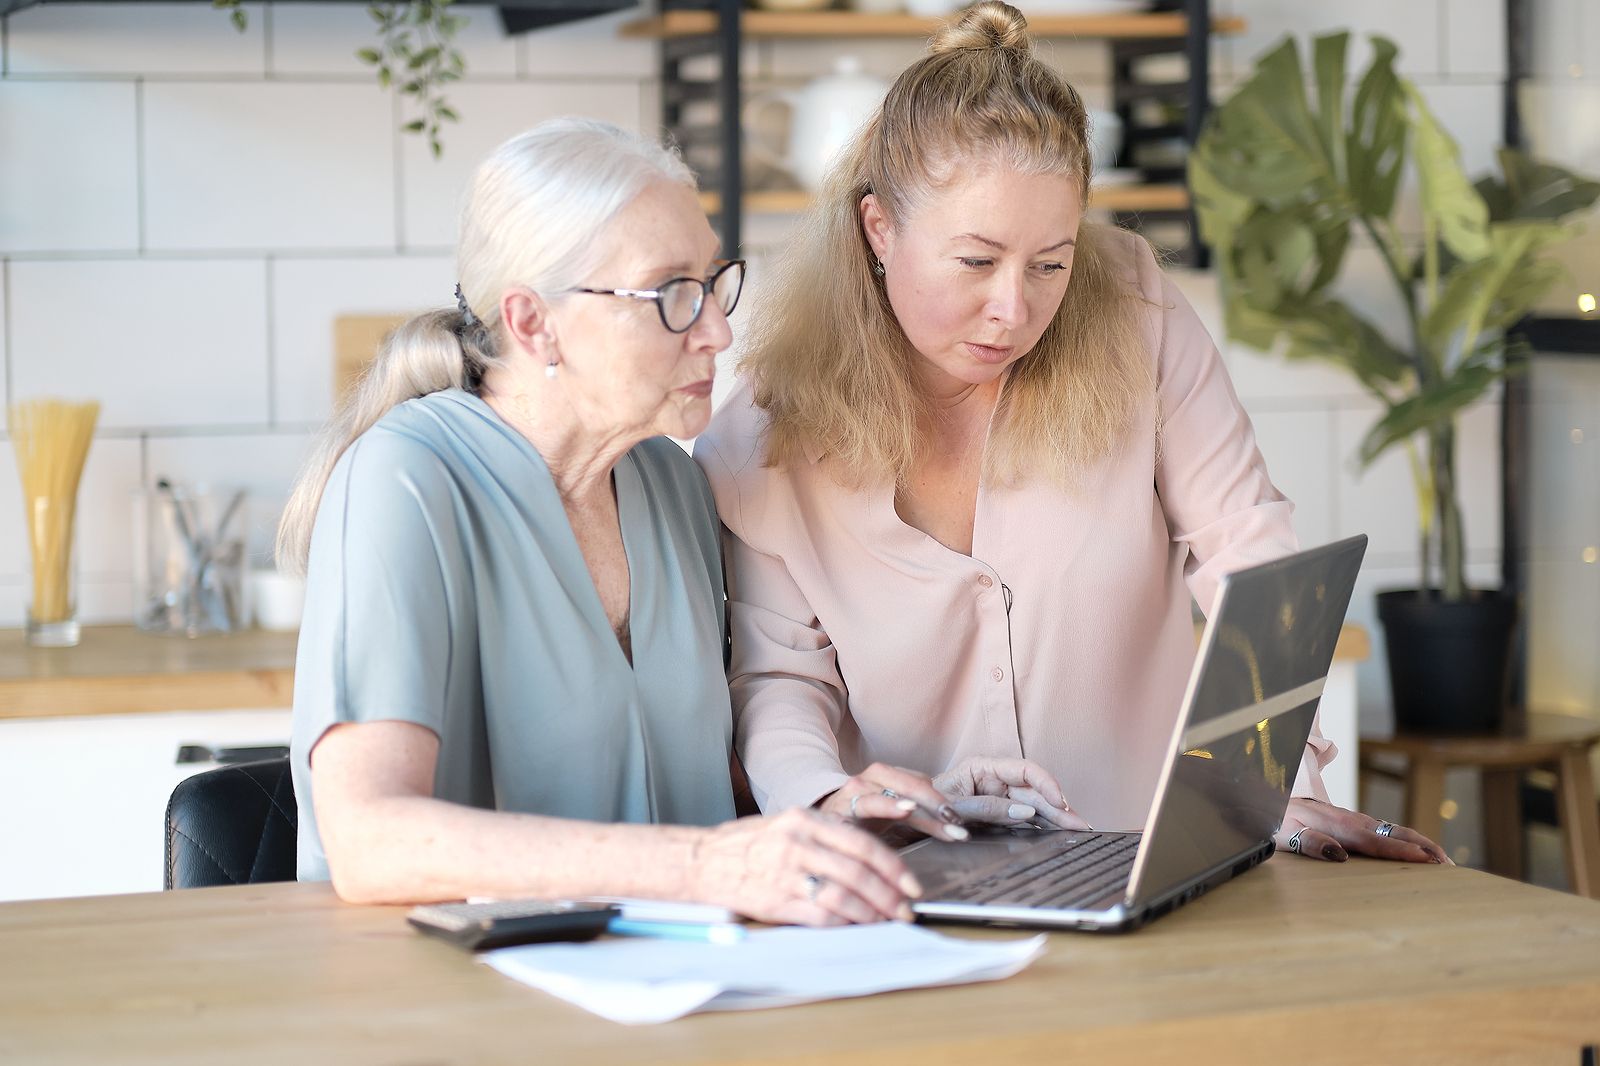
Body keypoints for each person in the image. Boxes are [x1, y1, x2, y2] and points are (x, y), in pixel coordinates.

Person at [694, 3, 1450, 866]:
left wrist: (1270, 786)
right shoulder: (762, 442)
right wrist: (831, 800)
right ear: (880, 228)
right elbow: (782, 679)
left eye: (1050, 264)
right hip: (912, 886)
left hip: (1152, 866)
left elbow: (1249, 552)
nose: (1014, 309)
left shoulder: (1133, 309)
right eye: (976, 261)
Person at [278, 118, 923, 925]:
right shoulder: (406, 483)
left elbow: (670, 770)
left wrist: (847, 812)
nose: (718, 331)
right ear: (531, 323)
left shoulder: (671, 485)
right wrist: (702, 867)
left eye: (713, 284)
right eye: (670, 296)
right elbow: (370, 839)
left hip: (670, 993)